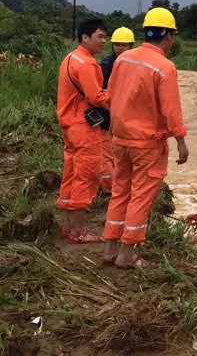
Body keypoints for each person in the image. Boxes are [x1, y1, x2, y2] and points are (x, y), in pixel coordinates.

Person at [102, 7, 189, 269]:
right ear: (168, 36)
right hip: (147, 144)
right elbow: (171, 110)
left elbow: (111, 95)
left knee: (120, 192)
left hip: (120, 139)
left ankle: (110, 248)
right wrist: (181, 140)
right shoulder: (165, 67)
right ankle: (127, 254)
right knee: (140, 195)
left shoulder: (124, 59)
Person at [56, 18, 110, 243]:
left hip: (70, 125)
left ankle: (68, 227)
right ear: (85, 37)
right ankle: (79, 232)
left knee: (71, 173)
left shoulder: (70, 58)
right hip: (84, 128)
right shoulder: (87, 63)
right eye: (100, 36)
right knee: (85, 177)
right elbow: (96, 97)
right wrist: (115, 94)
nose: (104, 41)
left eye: (105, 37)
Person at [97, 27, 135, 193]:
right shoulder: (106, 65)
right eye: (117, 45)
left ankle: (122, 184)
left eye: (124, 45)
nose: (120, 48)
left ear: (130, 46)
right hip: (108, 115)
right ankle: (110, 187)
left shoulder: (136, 65)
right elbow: (99, 92)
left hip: (128, 117)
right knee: (107, 151)